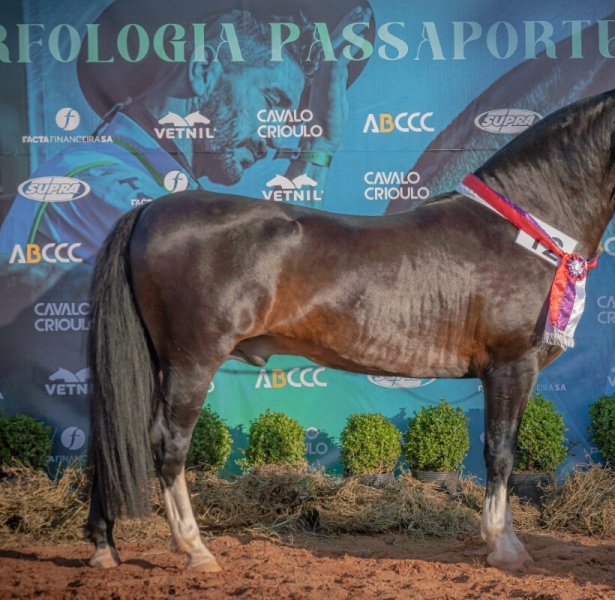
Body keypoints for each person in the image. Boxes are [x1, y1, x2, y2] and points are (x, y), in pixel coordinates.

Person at [0, 0, 372, 461]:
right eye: (273, 101)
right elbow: (270, 288)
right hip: (83, 467)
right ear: (202, 70)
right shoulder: (103, 180)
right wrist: (317, 150)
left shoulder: (147, 183)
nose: (277, 138)